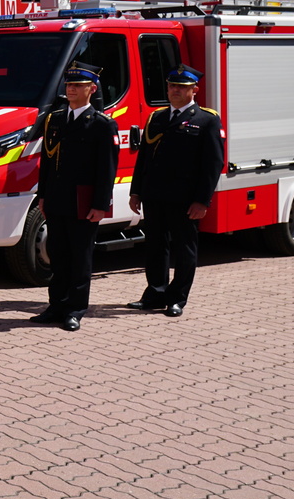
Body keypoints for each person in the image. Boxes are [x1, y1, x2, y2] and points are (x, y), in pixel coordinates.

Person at [128, 65, 224, 317]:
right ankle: (155, 293)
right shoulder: (157, 117)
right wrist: (136, 192)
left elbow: (213, 164)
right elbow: (144, 158)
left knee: (184, 248)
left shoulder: (206, 119)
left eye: (182, 87)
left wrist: (202, 200)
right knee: (155, 247)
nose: (175, 91)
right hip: (154, 195)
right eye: (172, 86)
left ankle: (177, 298)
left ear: (195, 90)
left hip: (185, 199)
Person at [31, 62, 120, 331]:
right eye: (69, 85)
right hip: (57, 200)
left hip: (83, 202)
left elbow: (107, 170)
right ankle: (56, 305)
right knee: (58, 255)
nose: (71, 89)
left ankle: (75, 309)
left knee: (80, 258)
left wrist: (100, 205)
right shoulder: (55, 119)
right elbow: (47, 162)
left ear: (91, 89)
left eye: (78, 86)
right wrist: (43, 196)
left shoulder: (102, 124)